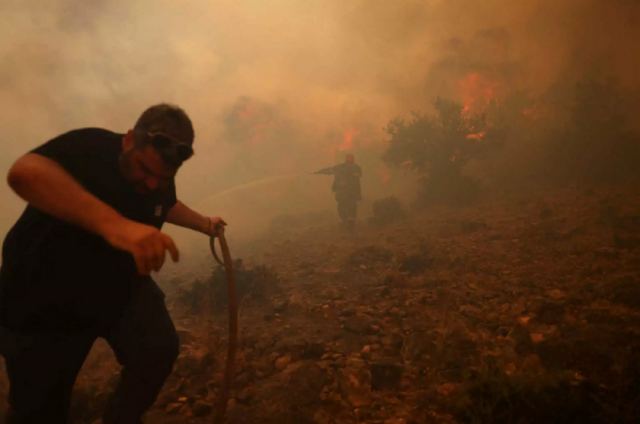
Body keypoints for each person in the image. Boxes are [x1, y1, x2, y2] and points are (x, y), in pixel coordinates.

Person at [0, 104, 225, 423]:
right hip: (42, 298)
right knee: (38, 409)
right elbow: (24, 174)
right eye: (144, 171)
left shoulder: (158, 175)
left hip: (117, 287)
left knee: (156, 349)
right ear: (129, 140)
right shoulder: (91, 147)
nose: (150, 183)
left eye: (161, 177)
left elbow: (165, 203)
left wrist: (204, 223)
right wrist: (116, 226)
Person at [314, 153, 362, 230]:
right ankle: (344, 220)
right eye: (348, 158)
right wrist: (320, 171)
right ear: (346, 159)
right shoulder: (340, 167)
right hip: (342, 191)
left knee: (352, 205)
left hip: (352, 191)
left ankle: (351, 220)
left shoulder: (356, 167)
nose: (350, 159)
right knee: (341, 205)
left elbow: (358, 175)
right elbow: (330, 170)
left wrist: (349, 175)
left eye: (351, 158)